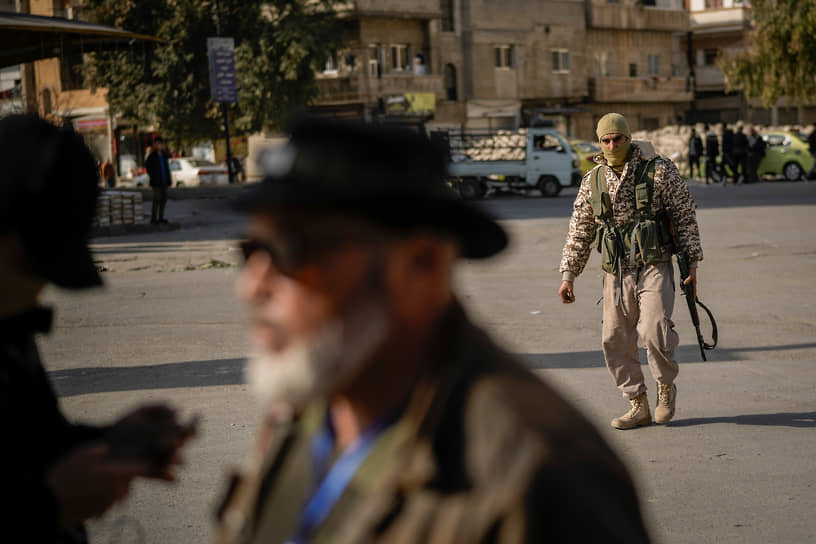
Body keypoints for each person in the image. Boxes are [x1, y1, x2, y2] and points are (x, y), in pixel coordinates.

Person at [214, 117, 652, 544]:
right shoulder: (305, 410)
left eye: (291, 251)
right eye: (250, 250)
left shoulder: (540, 476)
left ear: (420, 265)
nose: (251, 286)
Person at [0, 114, 195, 543]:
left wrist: (112, 443)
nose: (40, 290)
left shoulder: (12, 335)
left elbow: (33, 443)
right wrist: (48, 505)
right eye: (32, 266)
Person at [558, 113, 703, 430]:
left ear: (628, 138)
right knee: (614, 339)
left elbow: (684, 215)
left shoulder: (659, 170)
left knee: (654, 329)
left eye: (618, 139)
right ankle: (637, 403)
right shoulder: (593, 179)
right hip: (616, 270)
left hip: (655, 263)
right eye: (606, 140)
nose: (612, 145)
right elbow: (581, 229)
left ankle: (665, 387)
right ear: (600, 142)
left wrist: (692, 262)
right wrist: (569, 274)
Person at [145, 136, 172, 224]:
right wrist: (153, 177)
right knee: (156, 199)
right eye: (156, 144)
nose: (158, 146)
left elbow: (167, 168)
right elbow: (148, 168)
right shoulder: (152, 156)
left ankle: (161, 217)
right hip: (156, 182)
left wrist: (169, 179)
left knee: (164, 199)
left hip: (164, 181)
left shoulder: (164, 155)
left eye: (160, 144)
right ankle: (154, 218)